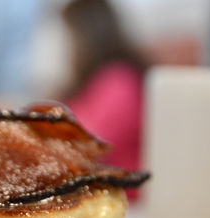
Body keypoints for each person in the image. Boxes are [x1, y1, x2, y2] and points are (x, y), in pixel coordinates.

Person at [59, 0, 147, 199]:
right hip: (97, 195)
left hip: (123, 202)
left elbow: (88, 147)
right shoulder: (90, 82)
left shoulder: (118, 81)